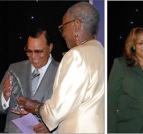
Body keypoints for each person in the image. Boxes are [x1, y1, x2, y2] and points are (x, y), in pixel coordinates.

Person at [14, 2, 104, 133]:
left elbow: (56, 112)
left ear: (77, 25)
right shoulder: (101, 53)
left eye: (63, 28)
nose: (62, 34)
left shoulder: (76, 55)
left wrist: (36, 107)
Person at [0, 27, 59, 133]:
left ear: (50, 47)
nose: (33, 56)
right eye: (29, 51)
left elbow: (70, 114)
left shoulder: (62, 72)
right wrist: (4, 96)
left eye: (38, 51)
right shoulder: (14, 69)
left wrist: (53, 126)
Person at [108, 27, 143, 133]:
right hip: (127, 126)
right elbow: (111, 100)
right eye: (140, 43)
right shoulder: (120, 64)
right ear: (133, 45)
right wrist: (110, 130)